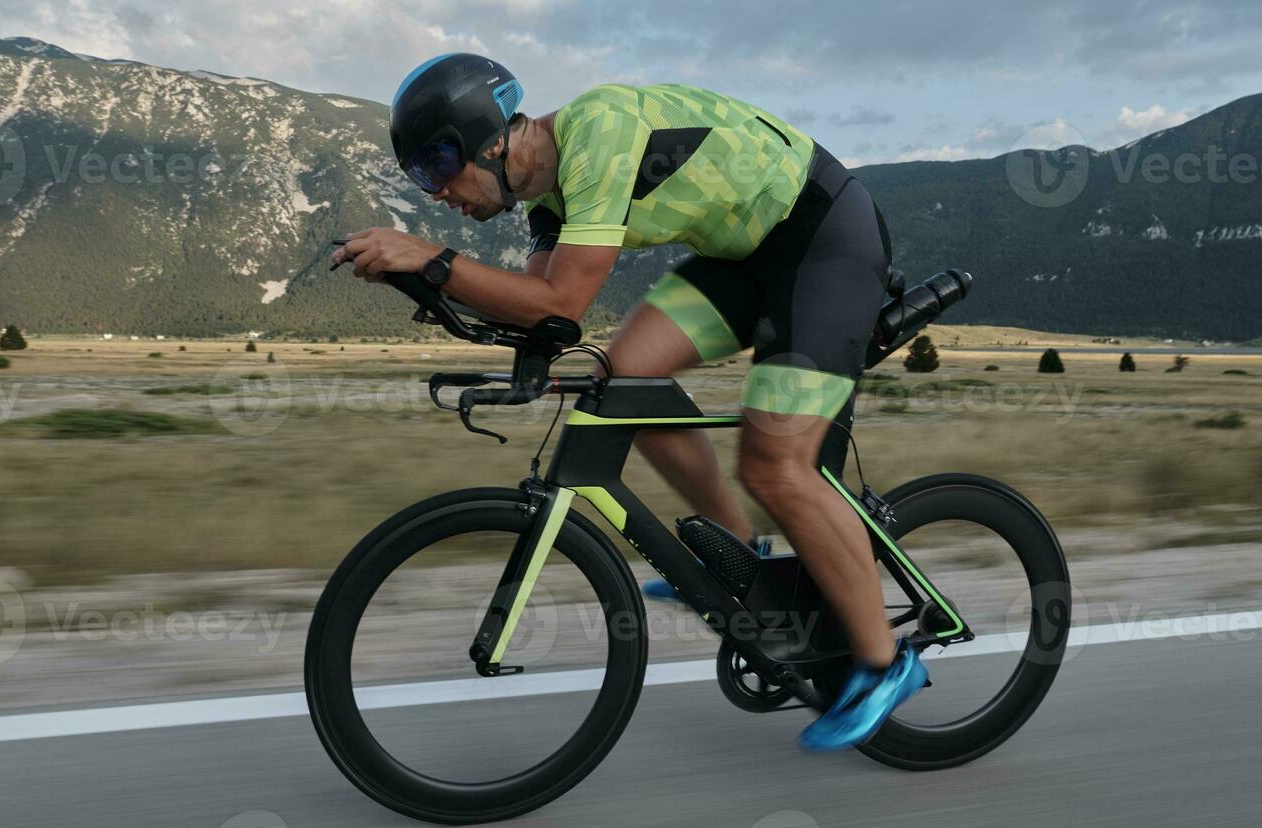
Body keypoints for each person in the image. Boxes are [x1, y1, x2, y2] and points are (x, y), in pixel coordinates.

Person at [336, 53, 925, 751]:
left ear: (486, 140)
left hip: (821, 235)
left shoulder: (600, 133)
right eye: (420, 180)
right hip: (748, 258)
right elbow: (542, 320)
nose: (437, 195)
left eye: (437, 168)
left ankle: (886, 666)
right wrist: (427, 288)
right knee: (621, 380)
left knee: (776, 465)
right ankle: (739, 560)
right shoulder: (550, 204)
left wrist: (432, 257)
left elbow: (560, 299)